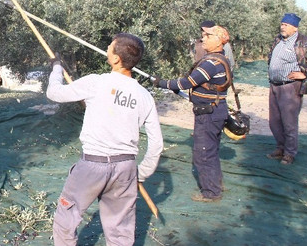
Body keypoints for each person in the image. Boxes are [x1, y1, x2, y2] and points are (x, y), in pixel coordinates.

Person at [46, 33, 163, 246]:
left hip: (93, 165)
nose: (107, 47)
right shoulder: (145, 95)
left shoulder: (96, 83)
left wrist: (56, 67)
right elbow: (156, 145)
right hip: (126, 168)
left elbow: (54, 93)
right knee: (120, 232)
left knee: (66, 218)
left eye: (110, 45)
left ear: (116, 58)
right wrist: (140, 174)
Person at [153, 25, 231, 202]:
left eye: (207, 35)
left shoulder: (211, 63)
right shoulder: (221, 59)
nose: (203, 39)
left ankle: (211, 192)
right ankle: (216, 183)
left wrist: (162, 83)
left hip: (208, 114)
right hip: (216, 110)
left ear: (218, 40)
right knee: (211, 150)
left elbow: (188, 82)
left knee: (203, 152)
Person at [266, 13, 307, 165]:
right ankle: (280, 148)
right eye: (282, 24)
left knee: (289, 122)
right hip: (274, 86)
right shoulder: (278, 39)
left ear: (294, 27)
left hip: (290, 88)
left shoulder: (304, 42)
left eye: (285, 25)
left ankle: (289, 153)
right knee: (274, 122)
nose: (282, 27)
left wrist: (304, 73)